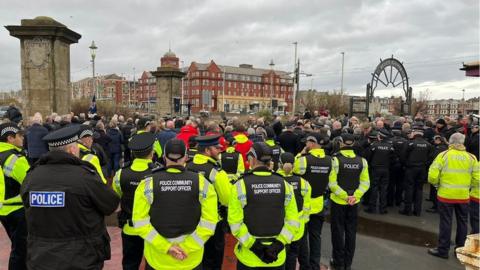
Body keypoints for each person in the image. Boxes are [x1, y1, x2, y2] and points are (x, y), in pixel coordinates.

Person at [20, 125, 119, 269]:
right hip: (82, 257)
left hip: (41, 258)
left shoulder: (31, 177)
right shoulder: (85, 177)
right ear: (72, 150)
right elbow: (111, 204)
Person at [131, 139, 218, 269]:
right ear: (186, 157)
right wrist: (186, 248)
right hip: (190, 259)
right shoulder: (203, 183)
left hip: (158, 259)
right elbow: (209, 223)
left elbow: (139, 222)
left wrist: (167, 247)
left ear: (164, 157)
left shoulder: (147, 183)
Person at [228, 142, 300, 269]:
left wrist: (256, 248)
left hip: (248, 256)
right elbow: (293, 221)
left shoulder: (240, 185)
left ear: (254, 159)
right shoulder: (285, 185)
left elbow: (235, 223)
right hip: (276, 257)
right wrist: (278, 245)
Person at [427, 133, 479, 259]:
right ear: (463, 142)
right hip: (463, 196)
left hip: (446, 195)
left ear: (450, 142)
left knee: (446, 222)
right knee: (463, 223)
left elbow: (432, 176)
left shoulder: (443, 155)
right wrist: (467, 186)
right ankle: (459, 249)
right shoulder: (471, 158)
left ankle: (443, 249)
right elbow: (477, 179)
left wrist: (437, 185)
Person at [186, 134, 232, 270]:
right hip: (212, 224)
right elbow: (227, 199)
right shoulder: (217, 172)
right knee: (213, 260)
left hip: (189, 221)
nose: (219, 150)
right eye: (216, 148)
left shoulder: (186, 166)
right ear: (207, 151)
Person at [113, 132, 157, 270]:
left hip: (129, 228)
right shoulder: (157, 173)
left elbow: (116, 194)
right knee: (153, 264)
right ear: (152, 152)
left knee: (130, 263)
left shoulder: (121, 173)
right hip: (153, 230)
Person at [328, 133, 370, 270]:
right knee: (351, 233)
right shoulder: (362, 161)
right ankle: (348, 263)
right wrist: (355, 196)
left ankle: (338, 262)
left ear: (340, 143)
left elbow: (332, 183)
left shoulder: (335, 160)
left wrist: (345, 196)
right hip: (354, 202)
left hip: (338, 202)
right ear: (353, 144)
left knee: (337, 232)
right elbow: (365, 183)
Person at [293, 132, 334, 270]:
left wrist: (301, 153)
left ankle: (305, 265)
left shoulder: (304, 160)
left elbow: (293, 168)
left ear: (312, 143)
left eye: (307, 142)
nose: (305, 144)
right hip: (319, 203)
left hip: (304, 205)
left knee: (303, 237)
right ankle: (315, 265)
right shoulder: (330, 161)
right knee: (316, 236)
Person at [0, 123, 30, 270]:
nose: (23, 138)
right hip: (18, 210)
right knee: (21, 251)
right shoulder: (15, 158)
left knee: (17, 248)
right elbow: (30, 182)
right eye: (20, 135)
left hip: (3, 210)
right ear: (10, 138)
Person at [278, 152, 311, 270]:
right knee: (293, 255)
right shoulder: (303, 183)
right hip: (298, 228)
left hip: (280, 228)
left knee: (279, 255)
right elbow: (307, 206)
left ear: (280, 164)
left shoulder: (275, 181)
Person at [399, 126, 433, 216]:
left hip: (411, 169)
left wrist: (406, 164)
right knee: (419, 189)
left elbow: (402, 156)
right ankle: (417, 211)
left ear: (414, 133)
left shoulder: (410, 143)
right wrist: (424, 165)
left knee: (409, 189)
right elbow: (431, 158)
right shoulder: (428, 145)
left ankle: (408, 210)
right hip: (422, 169)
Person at [364, 129, 394, 214]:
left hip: (375, 169)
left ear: (379, 136)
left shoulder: (374, 145)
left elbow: (368, 157)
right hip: (385, 170)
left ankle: (372, 208)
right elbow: (393, 159)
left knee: (374, 188)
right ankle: (383, 209)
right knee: (384, 189)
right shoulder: (390, 147)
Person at [426, 135, 449, 213]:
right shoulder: (446, 148)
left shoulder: (438, 148)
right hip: (443, 171)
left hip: (437, 171)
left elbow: (432, 157)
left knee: (435, 189)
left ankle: (436, 206)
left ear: (439, 140)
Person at [387, 127, 407, 207]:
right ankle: (398, 200)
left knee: (391, 184)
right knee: (400, 183)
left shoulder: (390, 141)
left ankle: (390, 201)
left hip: (392, 165)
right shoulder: (405, 141)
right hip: (401, 165)